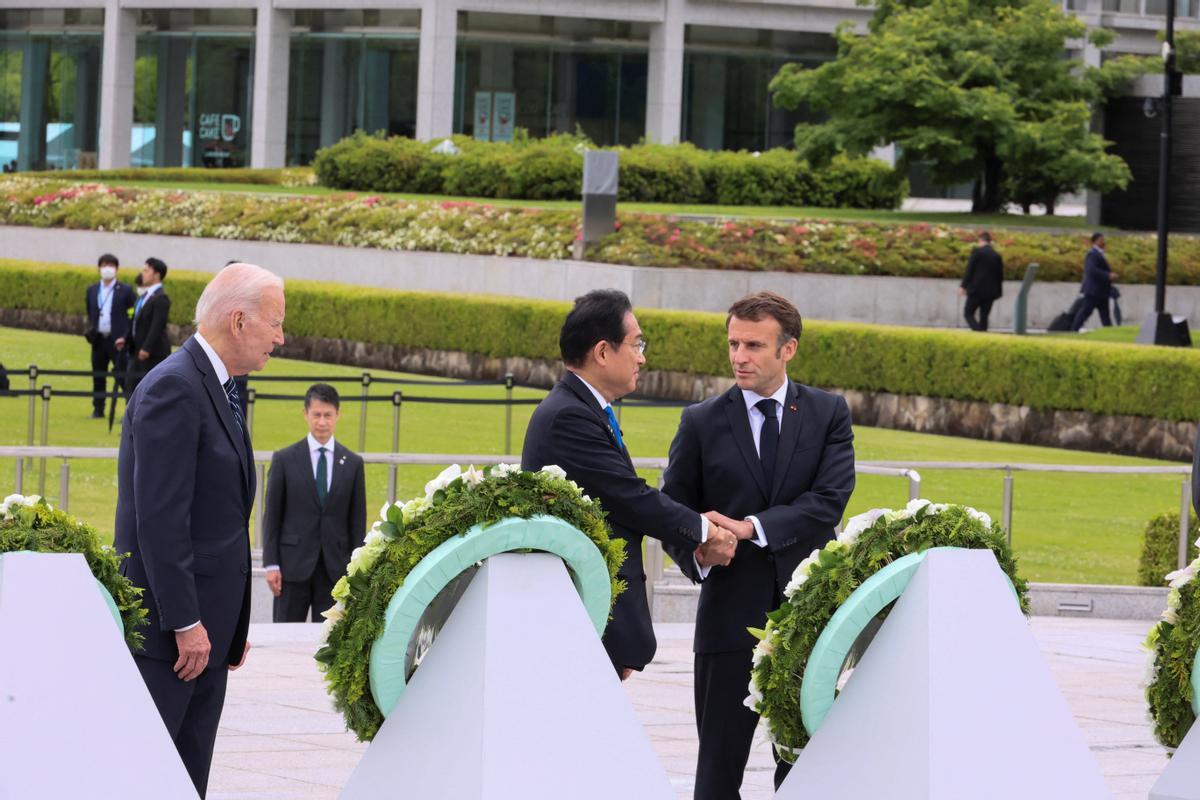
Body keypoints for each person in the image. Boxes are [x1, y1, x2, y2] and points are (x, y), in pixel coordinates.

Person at [662, 291, 856, 799]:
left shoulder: (828, 413)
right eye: (733, 344)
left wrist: (750, 527)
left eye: (753, 345)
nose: (739, 357)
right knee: (718, 770)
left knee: (807, 765)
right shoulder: (700, 422)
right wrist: (698, 552)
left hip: (810, 618)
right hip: (728, 620)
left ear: (788, 349)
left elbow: (828, 502)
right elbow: (674, 512)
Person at [113, 262, 286, 798]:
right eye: (276, 324)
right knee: (152, 780)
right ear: (238, 321)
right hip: (173, 641)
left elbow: (218, 514)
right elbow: (160, 520)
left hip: (204, 639)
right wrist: (186, 621)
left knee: (188, 782)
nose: (281, 338)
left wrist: (227, 621)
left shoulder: (220, 385)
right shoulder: (175, 388)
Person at [521, 289, 739, 679]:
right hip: (583, 614)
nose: (642, 357)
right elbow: (628, 497)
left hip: (592, 615)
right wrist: (705, 530)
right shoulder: (569, 416)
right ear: (603, 352)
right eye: (636, 344)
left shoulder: (584, 409)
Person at [262, 383, 366, 622]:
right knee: (285, 640)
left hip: (334, 571)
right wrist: (271, 564)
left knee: (328, 642)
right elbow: (272, 517)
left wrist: (355, 572)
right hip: (291, 568)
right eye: (316, 415)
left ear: (338, 415)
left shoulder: (352, 463)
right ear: (305, 414)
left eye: (328, 415)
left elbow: (356, 523)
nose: (322, 422)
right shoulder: (284, 460)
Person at [84, 253, 135, 418]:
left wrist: (126, 336)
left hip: (117, 340)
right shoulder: (92, 290)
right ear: (99, 267)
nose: (107, 268)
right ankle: (98, 409)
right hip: (99, 339)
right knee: (98, 375)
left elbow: (131, 315)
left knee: (122, 375)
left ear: (116, 269)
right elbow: (90, 312)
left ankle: (130, 409)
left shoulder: (125, 291)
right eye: (105, 265)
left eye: (111, 265)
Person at [127, 257, 172, 393]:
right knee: (132, 386)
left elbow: (157, 325)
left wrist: (146, 348)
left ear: (157, 274)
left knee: (150, 389)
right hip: (137, 351)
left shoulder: (161, 297)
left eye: (146, 271)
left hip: (152, 354)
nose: (143, 274)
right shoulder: (144, 296)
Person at [958, 231, 1004, 332]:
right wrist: (999, 292)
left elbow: (969, 270)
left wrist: (963, 286)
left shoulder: (977, 252)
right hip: (991, 291)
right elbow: (1000, 276)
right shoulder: (996, 255)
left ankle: (978, 331)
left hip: (976, 290)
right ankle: (983, 333)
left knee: (968, 313)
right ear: (989, 241)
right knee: (984, 316)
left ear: (980, 240)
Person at [1071, 233, 1117, 331]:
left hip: (1101, 291)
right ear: (1095, 241)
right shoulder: (1092, 254)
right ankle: (1073, 331)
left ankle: (1109, 332)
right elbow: (1091, 270)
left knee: (1105, 315)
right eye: (1101, 240)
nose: (1103, 242)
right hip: (1093, 291)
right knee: (1085, 312)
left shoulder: (1099, 254)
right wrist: (1107, 275)